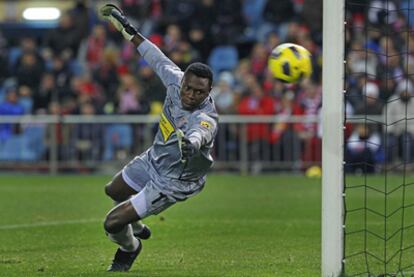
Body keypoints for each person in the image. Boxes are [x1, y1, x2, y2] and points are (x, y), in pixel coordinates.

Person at [100, 4, 218, 272]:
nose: (190, 94)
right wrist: (129, 31)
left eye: (199, 92)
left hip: (174, 181)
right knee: (113, 191)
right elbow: (154, 56)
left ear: (209, 91)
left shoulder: (206, 116)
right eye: (188, 88)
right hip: (153, 159)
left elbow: (202, 132)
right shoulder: (175, 80)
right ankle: (138, 225)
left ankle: (129, 248)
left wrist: (192, 143)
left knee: (112, 224)